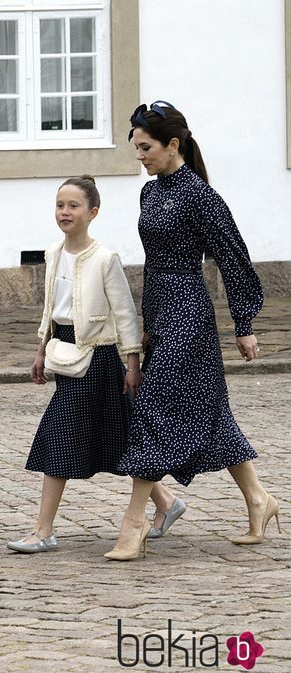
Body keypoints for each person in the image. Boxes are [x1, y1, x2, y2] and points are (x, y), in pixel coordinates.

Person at [106, 101, 279, 561]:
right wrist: (145, 323)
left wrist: (244, 324)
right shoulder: (151, 194)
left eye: (146, 148)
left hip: (189, 311)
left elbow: (234, 257)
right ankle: (260, 500)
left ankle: (135, 522)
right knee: (210, 412)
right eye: (137, 148)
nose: (139, 156)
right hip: (161, 307)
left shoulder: (201, 196)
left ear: (173, 145)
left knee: (152, 403)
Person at [7, 175, 147, 553]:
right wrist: (41, 350)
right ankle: (166, 504)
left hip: (99, 357)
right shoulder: (53, 253)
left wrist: (132, 365)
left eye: (73, 206)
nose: (64, 212)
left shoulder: (105, 259)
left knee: (60, 433)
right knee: (114, 437)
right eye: (59, 205)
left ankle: (44, 530)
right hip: (64, 353)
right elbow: (50, 309)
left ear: (92, 212)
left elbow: (125, 315)